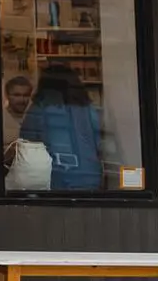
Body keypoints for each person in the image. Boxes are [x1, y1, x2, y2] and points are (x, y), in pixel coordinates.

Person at [19, 62, 103, 190]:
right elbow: (98, 142)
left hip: (55, 175)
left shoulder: (41, 108)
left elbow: (27, 142)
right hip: (89, 174)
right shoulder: (88, 108)